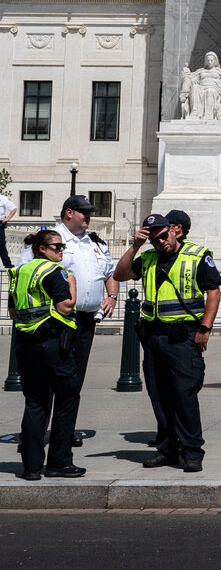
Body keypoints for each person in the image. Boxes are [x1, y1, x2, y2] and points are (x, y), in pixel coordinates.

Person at [113, 210, 221, 472]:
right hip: (153, 337)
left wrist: (205, 328)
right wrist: (135, 246)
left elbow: (213, 291)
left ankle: (192, 451)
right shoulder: (148, 257)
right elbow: (120, 275)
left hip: (183, 337)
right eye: (154, 240)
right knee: (159, 397)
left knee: (184, 396)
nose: (160, 242)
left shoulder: (196, 255)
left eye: (163, 236)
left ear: (174, 231)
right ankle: (167, 450)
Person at [18, 193, 118, 447]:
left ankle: (64, 433)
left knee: (73, 382)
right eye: (84, 212)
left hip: (84, 321)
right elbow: (24, 275)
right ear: (69, 213)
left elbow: (110, 272)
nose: (89, 217)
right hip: (53, 323)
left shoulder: (95, 243)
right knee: (47, 383)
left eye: (90, 212)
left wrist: (112, 295)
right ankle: (36, 435)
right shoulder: (49, 240)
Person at [8, 229, 84, 480]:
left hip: (26, 344)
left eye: (62, 247)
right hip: (52, 343)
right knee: (67, 397)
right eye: (57, 247)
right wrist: (72, 283)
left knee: (35, 403)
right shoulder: (54, 271)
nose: (61, 250)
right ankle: (59, 462)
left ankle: (30, 467)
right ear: (43, 249)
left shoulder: (19, 272)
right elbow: (66, 305)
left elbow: (13, 312)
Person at [0, 188, 15, 269]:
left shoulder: (3, 199)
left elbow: (13, 208)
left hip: (0, 223)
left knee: (1, 244)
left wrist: (7, 218)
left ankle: (7, 263)